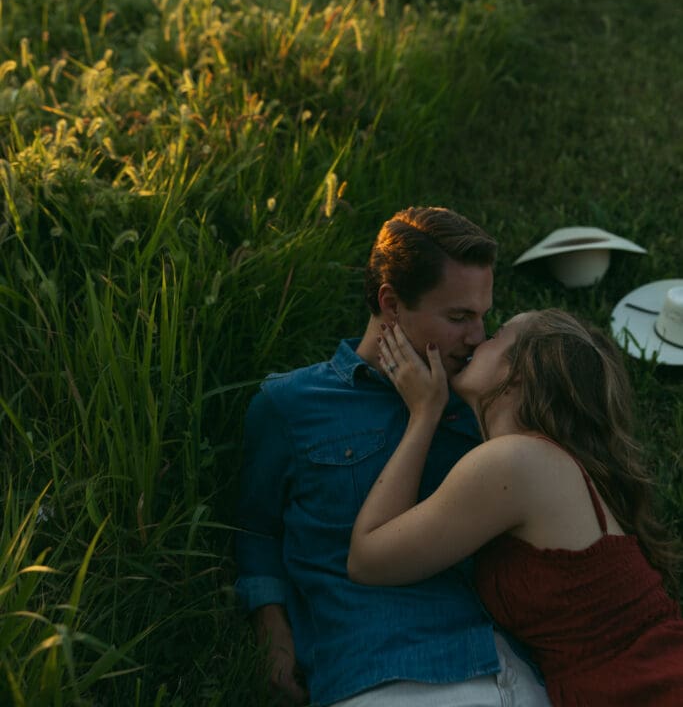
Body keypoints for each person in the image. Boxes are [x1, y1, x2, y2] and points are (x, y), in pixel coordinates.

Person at [235, 206, 551, 706]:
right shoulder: (291, 406)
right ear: (392, 304)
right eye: (458, 317)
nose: (477, 337)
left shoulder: (479, 398)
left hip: (513, 670)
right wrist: (270, 626)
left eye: (482, 315)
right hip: (387, 674)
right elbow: (256, 530)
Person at [348, 309, 683, 705]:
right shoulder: (540, 466)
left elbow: (368, 561)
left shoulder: (515, 463)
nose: (477, 340)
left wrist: (424, 415)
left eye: (497, 335)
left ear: (520, 372)